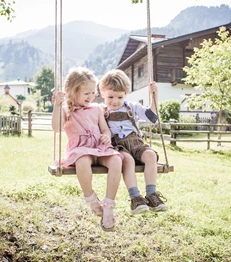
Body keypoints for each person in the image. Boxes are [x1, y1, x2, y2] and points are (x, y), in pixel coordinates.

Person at [52, 67, 123, 232]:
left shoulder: (97, 109)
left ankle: (108, 206)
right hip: (80, 150)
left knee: (116, 159)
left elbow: (105, 129)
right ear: (72, 91)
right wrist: (57, 106)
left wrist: (106, 136)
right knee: (82, 162)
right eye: (86, 94)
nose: (91, 97)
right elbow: (56, 128)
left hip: (99, 146)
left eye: (93, 93)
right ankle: (91, 199)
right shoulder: (66, 110)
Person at [99, 69, 168, 214]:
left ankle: (151, 195)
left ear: (126, 94)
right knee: (127, 161)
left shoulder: (132, 107)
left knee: (151, 156)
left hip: (136, 143)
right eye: (110, 96)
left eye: (119, 97)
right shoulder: (100, 110)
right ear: (102, 93)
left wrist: (154, 96)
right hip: (117, 146)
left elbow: (152, 117)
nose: (115, 101)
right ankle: (135, 198)